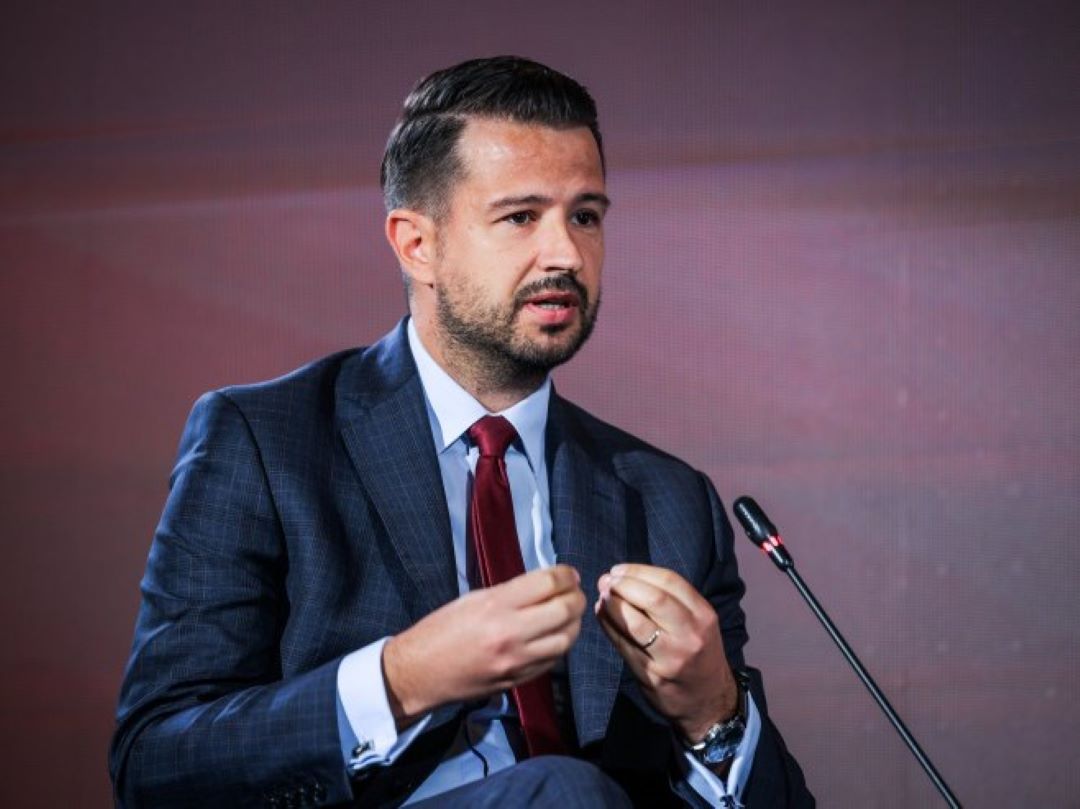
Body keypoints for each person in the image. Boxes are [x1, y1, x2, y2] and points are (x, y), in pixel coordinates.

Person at [109, 56, 813, 808]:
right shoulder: (266, 442)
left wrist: (714, 713)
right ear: (417, 244)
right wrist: (401, 679)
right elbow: (156, 764)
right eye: (520, 217)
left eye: (585, 216)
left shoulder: (670, 499)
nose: (566, 254)